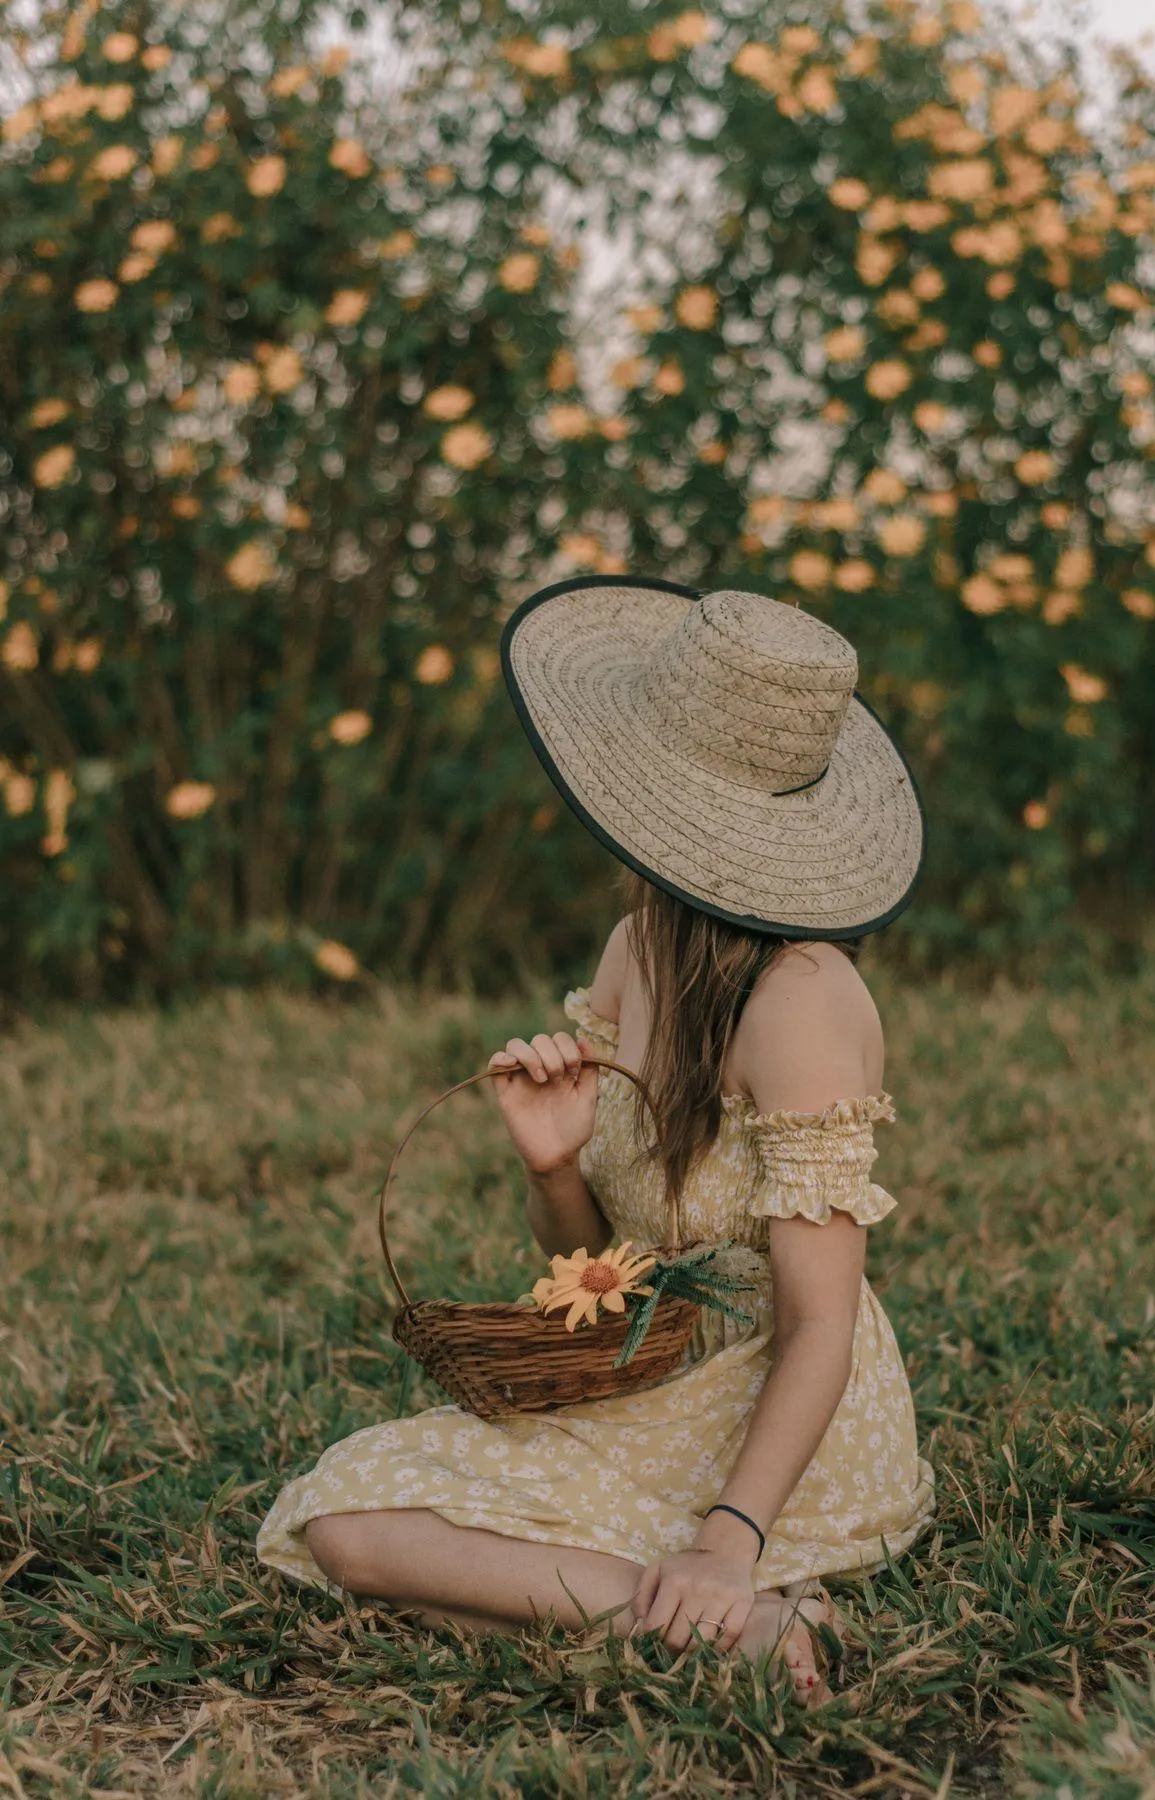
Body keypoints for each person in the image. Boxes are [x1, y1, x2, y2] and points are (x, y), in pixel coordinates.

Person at [257, 578, 935, 1701]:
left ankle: (714, 1598)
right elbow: (598, 1272)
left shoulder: (804, 1002)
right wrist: (554, 1164)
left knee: (361, 1528)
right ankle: (704, 1622)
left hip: (781, 1417)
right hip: (661, 1362)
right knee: (350, 1530)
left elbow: (820, 1323)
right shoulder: (641, 942)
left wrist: (727, 1536)